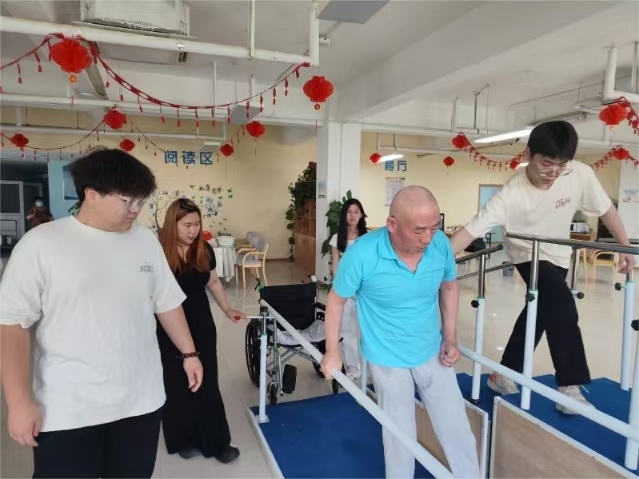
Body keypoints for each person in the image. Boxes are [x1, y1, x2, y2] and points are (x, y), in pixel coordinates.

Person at [0, 149, 203, 479]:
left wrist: (190, 353)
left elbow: (166, 302)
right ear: (91, 194)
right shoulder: (42, 244)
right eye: (127, 201)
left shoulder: (145, 241)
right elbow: (11, 325)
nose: (135, 210)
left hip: (141, 401)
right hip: (69, 408)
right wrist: (19, 403)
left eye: (141, 201)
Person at [450, 120, 636, 413]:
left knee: (538, 314)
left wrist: (624, 247)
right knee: (561, 303)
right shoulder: (511, 193)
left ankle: (503, 374)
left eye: (561, 165)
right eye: (546, 163)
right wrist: (430, 264)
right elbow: (470, 231)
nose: (553, 172)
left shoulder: (580, 173)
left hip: (560, 255)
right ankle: (570, 385)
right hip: (528, 253)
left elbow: (606, 210)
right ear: (528, 155)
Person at [321, 186, 480, 479]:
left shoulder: (440, 245)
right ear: (392, 224)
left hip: (431, 349)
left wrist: (450, 337)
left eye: (434, 227)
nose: (428, 238)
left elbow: (448, 286)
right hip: (387, 357)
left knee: (457, 429)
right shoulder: (362, 254)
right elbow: (336, 300)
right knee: (399, 437)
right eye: (419, 230)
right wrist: (332, 352)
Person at [158, 198, 245, 463]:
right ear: (172, 224)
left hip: (201, 321)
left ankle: (218, 442)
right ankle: (183, 439)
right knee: (176, 382)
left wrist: (228, 309)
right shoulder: (159, 252)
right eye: (187, 225)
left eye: (197, 224)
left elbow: (214, 282)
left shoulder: (203, 249)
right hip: (168, 324)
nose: (193, 230)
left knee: (206, 381)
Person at [328, 198, 368, 381]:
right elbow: (335, 265)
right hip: (347, 289)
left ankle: (372, 369)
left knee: (369, 331)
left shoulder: (367, 237)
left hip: (366, 290)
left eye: (356, 212)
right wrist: (339, 288)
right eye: (349, 212)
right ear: (344, 215)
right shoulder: (337, 238)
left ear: (361, 215)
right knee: (347, 332)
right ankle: (353, 368)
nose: (352, 215)